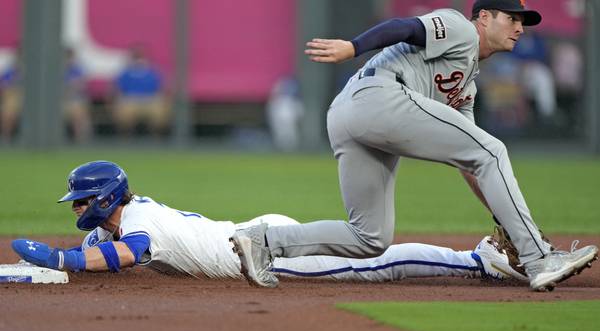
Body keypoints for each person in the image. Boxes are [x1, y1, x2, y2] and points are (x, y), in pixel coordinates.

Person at [228, 0, 598, 291]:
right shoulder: (462, 29)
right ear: (484, 17)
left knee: (369, 237)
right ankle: (539, 260)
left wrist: (505, 220)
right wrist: (353, 47)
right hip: (378, 96)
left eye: (523, 21)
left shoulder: (466, 85)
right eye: (511, 17)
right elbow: (404, 26)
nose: (520, 27)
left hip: (347, 115)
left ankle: (262, 240)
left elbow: (471, 164)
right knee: (494, 149)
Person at [11, 160, 527, 284]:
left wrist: (61, 260)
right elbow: (111, 240)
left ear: (104, 200)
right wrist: (24, 271)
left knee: (377, 263)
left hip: (257, 254)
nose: (76, 211)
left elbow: (123, 254)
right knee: (365, 254)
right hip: (253, 231)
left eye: (81, 203)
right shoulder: (126, 214)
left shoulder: (139, 225)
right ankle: (480, 258)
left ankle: (479, 262)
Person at [112, 46, 169, 137]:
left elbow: (161, 89)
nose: (138, 59)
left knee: (159, 110)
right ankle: (125, 139)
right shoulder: (125, 73)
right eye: (136, 56)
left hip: (150, 99)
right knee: (124, 111)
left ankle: (157, 140)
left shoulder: (153, 72)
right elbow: (117, 90)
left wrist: (164, 100)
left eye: (140, 56)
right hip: (130, 99)